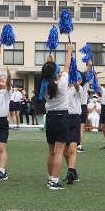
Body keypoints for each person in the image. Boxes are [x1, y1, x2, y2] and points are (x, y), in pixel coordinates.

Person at [38, 42, 73, 190]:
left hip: (50, 118)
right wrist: (69, 50)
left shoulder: (44, 85)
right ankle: (55, 180)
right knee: (59, 151)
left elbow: (51, 73)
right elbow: (67, 65)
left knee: (51, 152)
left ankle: (50, 178)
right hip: (61, 117)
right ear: (56, 74)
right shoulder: (62, 82)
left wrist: (49, 63)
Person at [64, 73, 82, 184]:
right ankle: (72, 171)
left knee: (72, 149)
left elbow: (78, 88)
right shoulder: (63, 89)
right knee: (65, 152)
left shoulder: (79, 89)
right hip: (64, 118)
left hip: (75, 118)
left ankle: (70, 171)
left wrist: (75, 82)